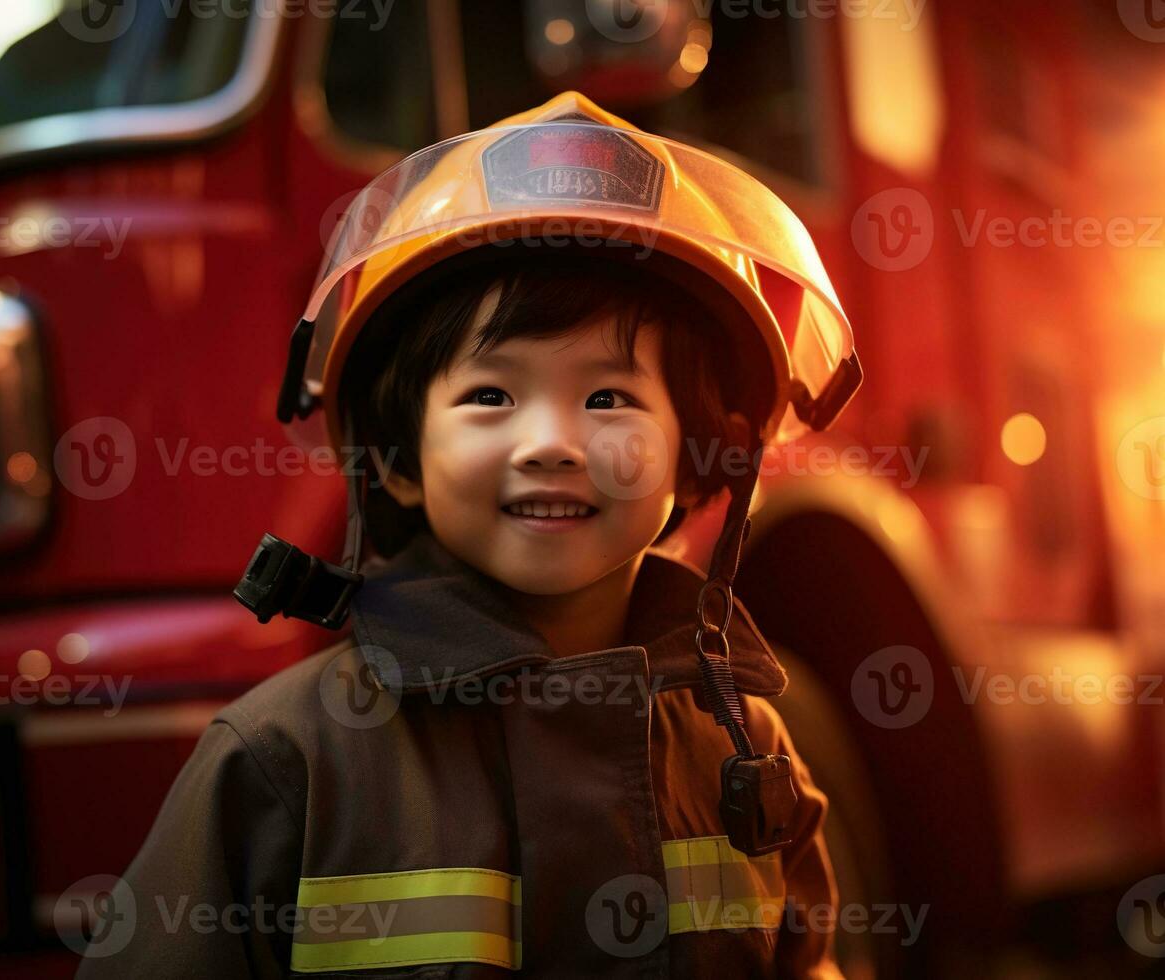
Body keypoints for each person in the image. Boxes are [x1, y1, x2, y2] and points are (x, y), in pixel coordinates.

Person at [76, 90, 863, 978]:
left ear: (698, 458)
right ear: (401, 459)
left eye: (609, 398)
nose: (552, 444)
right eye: (490, 396)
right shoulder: (284, 761)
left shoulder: (743, 746)